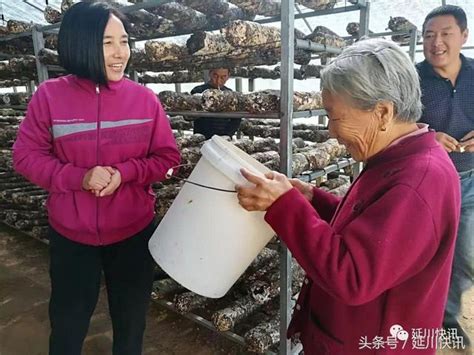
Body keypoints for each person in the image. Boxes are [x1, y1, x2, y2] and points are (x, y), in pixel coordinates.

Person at [236, 38, 461, 354]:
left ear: (382, 112)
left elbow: (353, 277)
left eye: (335, 116)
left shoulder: (418, 181)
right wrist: (311, 199)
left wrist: (283, 206)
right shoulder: (398, 158)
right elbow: (373, 230)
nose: (330, 130)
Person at [12, 3, 180, 355]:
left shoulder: (145, 100)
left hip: (133, 232)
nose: (121, 53)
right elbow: (25, 157)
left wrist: (125, 173)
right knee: (68, 324)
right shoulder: (49, 97)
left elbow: (168, 159)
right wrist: (78, 177)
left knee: (131, 322)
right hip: (72, 236)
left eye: (124, 40)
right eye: (108, 42)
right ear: (80, 43)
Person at [417, 5, 473, 348]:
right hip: (426, 182)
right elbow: (393, 122)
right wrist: (428, 135)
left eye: (445, 34)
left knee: (465, 254)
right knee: (424, 253)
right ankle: (416, 315)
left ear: (464, 36)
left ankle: (447, 318)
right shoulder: (412, 77)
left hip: (470, 180)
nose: (436, 42)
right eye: (429, 35)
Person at [190, 68, 241, 139]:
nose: (218, 80)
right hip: (202, 137)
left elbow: (236, 119)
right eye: (215, 76)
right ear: (210, 73)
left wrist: (227, 134)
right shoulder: (198, 91)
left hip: (223, 138)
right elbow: (191, 116)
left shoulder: (230, 94)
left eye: (223, 77)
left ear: (228, 76)